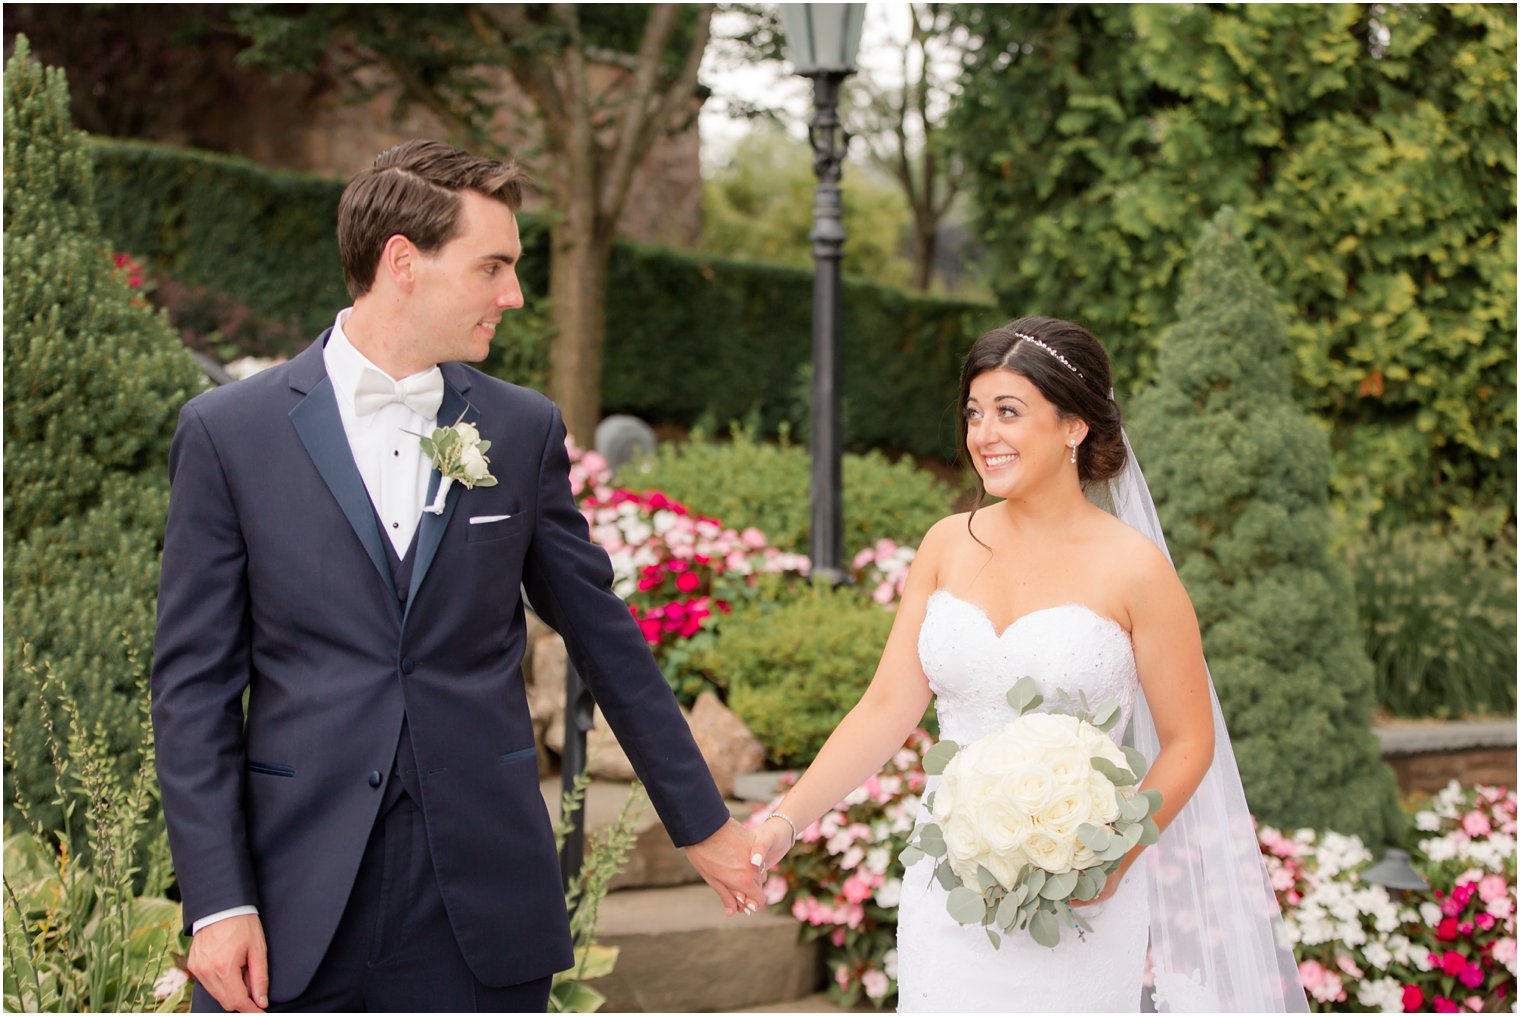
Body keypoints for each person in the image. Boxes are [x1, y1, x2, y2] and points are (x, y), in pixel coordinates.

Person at [151, 139, 762, 1014]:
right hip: (291, 902)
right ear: (403, 262)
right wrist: (218, 900)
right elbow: (193, 688)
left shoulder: (519, 430)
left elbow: (604, 640)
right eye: (494, 267)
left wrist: (702, 823)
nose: (513, 294)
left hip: (480, 904)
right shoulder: (228, 434)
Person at [750, 317, 1307, 1012]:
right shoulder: (947, 544)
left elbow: (1190, 741)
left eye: (1008, 412)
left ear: (1074, 425)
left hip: (1079, 894)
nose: (984, 434)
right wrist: (784, 821)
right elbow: (887, 707)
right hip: (947, 886)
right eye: (974, 413)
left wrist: (1112, 858)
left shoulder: (1136, 569)